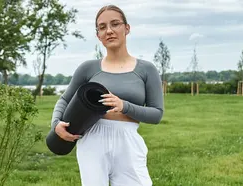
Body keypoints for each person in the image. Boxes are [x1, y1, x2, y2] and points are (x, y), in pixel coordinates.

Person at [49, 4, 165, 186]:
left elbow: (156, 114)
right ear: (98, 35)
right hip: (92, 138)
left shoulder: (146, 69)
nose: (109, 31)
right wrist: (56, 124)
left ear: (127, 28)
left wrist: (124, 105)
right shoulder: (88, 68)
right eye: (102, 27)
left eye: (115, 24)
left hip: (128, 140)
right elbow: (64, 99)